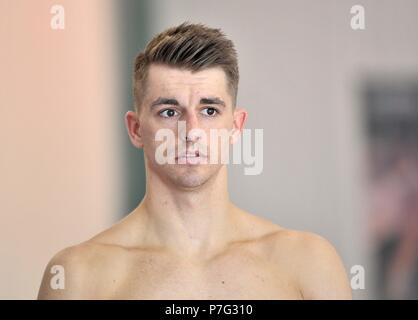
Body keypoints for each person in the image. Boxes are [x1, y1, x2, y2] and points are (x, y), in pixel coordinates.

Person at [38, 22, 352, 299]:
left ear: (236, 127)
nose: (192, 132)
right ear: (136, 129)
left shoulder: (309, 263)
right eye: (169, 112)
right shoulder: (78, 276)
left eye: (209, 110)